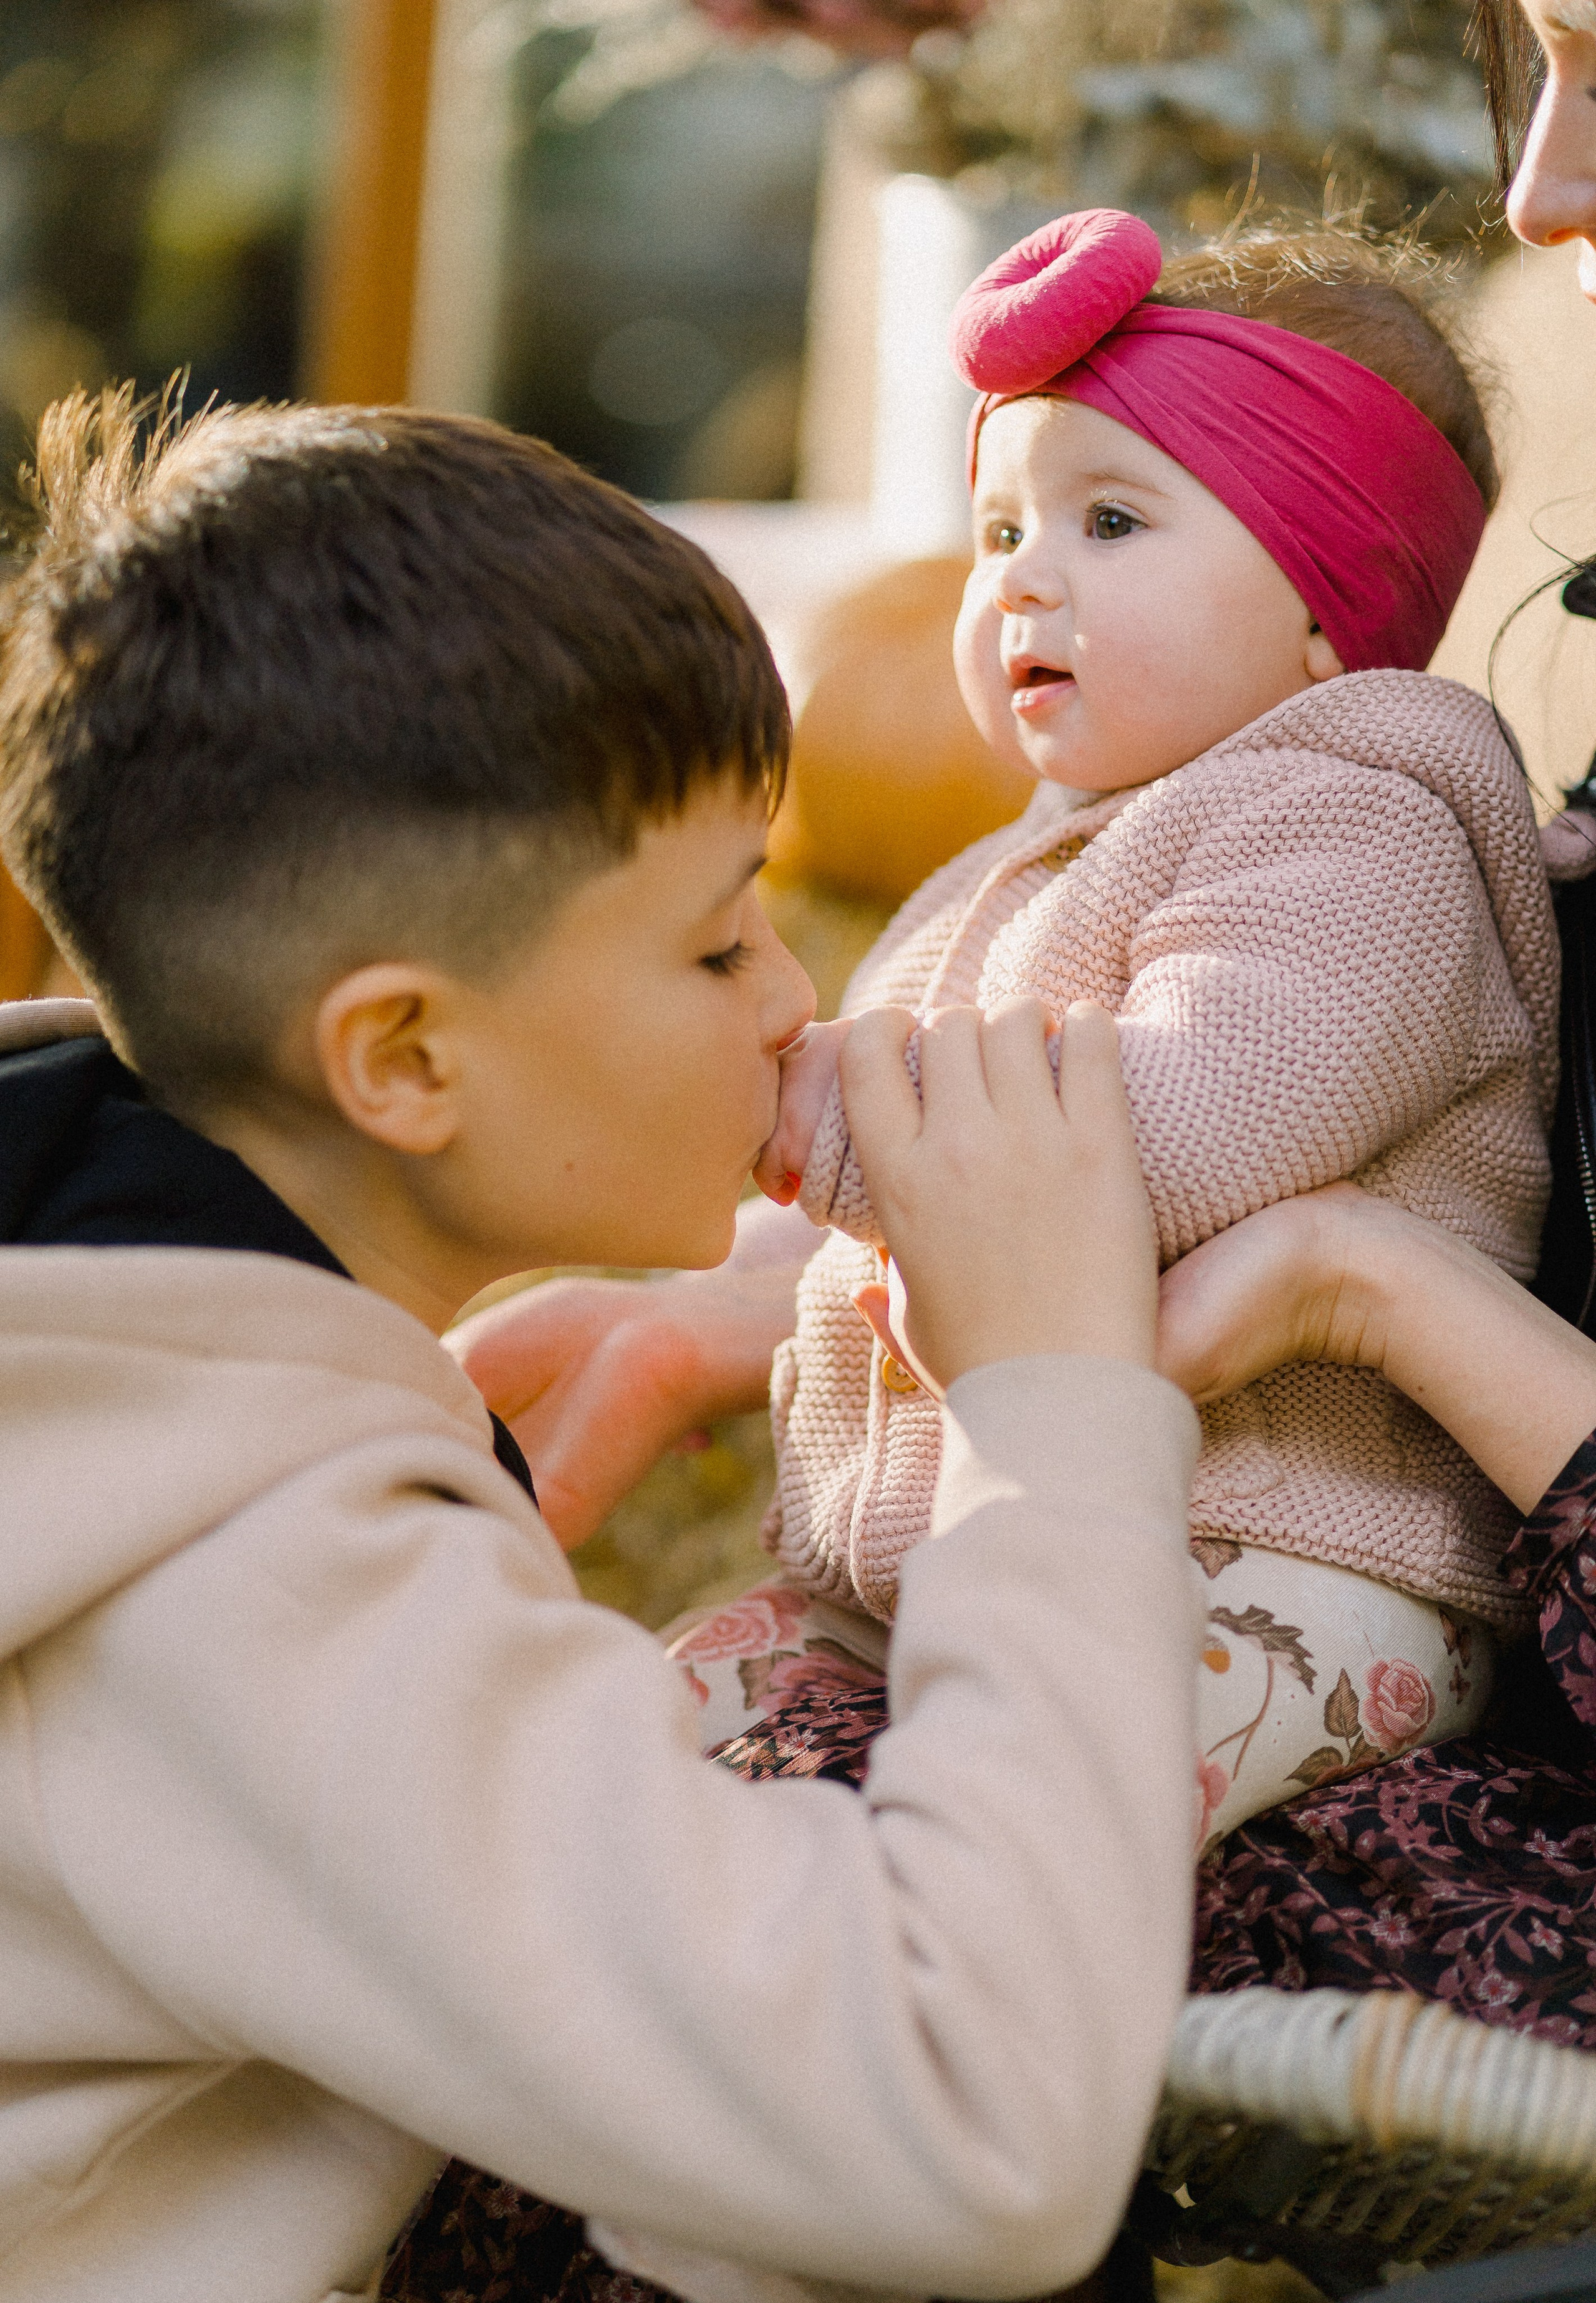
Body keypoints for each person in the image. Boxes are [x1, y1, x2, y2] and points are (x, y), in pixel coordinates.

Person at [0, 388, 1206, 2302]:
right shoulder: (252, 1582)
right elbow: (976, 2126)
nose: (793, 990)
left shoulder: (100, 1310)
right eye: (721, 943)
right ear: (402, 1058)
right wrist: (1046, 1400)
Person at [464, 209, 1555, 1848]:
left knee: (975, 1845)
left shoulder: (1358, 831)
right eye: (995, 528)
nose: (1022, 577)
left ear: (1335, 602)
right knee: (595, 1768)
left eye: (1111, 520)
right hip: (958, 1565)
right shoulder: (1021, 870)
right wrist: (721, 1275)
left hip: (1282, 1574)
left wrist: (811, 1108)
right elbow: (878, 1216)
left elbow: (1165, 1144)